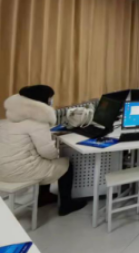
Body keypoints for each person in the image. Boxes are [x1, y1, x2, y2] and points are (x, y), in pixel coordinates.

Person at [0, 86, 87, 216]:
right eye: (50, 98)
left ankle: (44, 197)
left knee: (43, 162)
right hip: (20, 171)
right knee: (66, 165)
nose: (51, 101)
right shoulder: (37, 121)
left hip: (3, 170)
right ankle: (66, 205)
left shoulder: (10, 117)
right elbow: (47, 152)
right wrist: (58, 153)